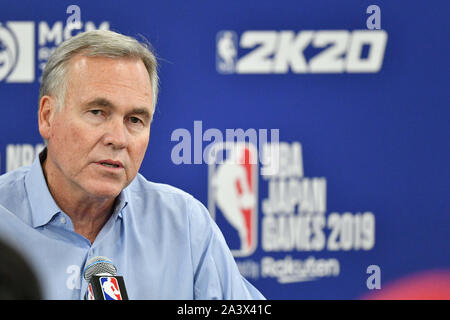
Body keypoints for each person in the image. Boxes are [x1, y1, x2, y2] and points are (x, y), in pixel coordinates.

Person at [0, 30, 265, 300]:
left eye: (135, 120)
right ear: (47, 117)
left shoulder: (185, 225)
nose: (118, 139)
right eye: (97, 113)